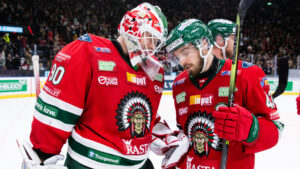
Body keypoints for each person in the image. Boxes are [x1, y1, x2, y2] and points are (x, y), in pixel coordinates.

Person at [20, 3, 168, 169]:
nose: (152, 47)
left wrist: (166, 138)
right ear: (133, 26)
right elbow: (57, 112)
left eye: (157, 43)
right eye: (150, 37)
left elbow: (147, 115)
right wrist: (43, 156)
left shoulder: (154, 72)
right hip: (89, 164)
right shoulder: (87, 51)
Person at [164, 19, 284, 169]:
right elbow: (185, 132)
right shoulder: (179, 84)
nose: (182, 61)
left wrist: (251, 128)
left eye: (186, 52)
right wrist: (176, 148)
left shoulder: (246, 74)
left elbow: (276, 130)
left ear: (204, 43)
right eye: (177, 56)